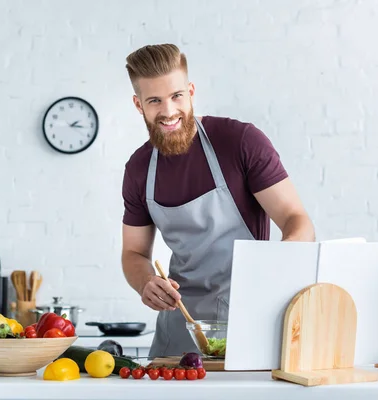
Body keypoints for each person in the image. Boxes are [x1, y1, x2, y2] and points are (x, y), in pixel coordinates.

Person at [120, 43, 315, 358]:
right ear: (138, 105)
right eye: (155, 100)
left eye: (177, 96)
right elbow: (133, 252)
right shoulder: (139, 170)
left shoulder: (240, 142)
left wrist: (279, 266)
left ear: (191, 91)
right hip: (178, 332)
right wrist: (145, 281)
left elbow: (297, 220)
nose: (169, 112)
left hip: (248, 324)